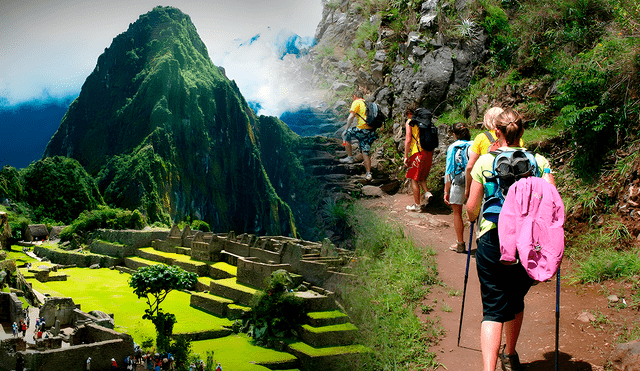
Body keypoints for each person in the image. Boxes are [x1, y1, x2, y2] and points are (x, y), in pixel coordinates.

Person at [466, 109, 555, 371]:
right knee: (516, 298)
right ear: (523, 132)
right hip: (527, 241)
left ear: (497, 132)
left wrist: (474, 217)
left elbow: (472, 208)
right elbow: (552, 202)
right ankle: (511, 354)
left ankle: (488, 369)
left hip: (492, 239)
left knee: (493, 307)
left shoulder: (484, 162)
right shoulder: (539, 161)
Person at [444, 123, 471, 252]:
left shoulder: (453, 147)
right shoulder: (474, 144)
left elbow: (449, 170)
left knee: (457, 213)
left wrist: (446, 191)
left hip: (458, 180)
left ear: (454, 134)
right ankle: (479, 241)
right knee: (476, 212)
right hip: (474, 180)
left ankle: (460, 244)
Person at [340, 88, 377, 181]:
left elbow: (351, 117)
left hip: (362, 130)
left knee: (345, 135)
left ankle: (349, 157)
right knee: (365, 151)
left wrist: (346, 129)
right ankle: (368, 173)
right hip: (370, 131)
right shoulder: (368, 104)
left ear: (354, 96)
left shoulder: (356, 102)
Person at [403, 106, 434, 211]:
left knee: (413, 178)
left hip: (417, 152)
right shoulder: (426, 121)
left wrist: (406, 156)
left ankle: (416, 205)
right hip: (429, 152)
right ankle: (427, 193)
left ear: (409, 113)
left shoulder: (410, 122)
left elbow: (408, 140)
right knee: (421, 176)